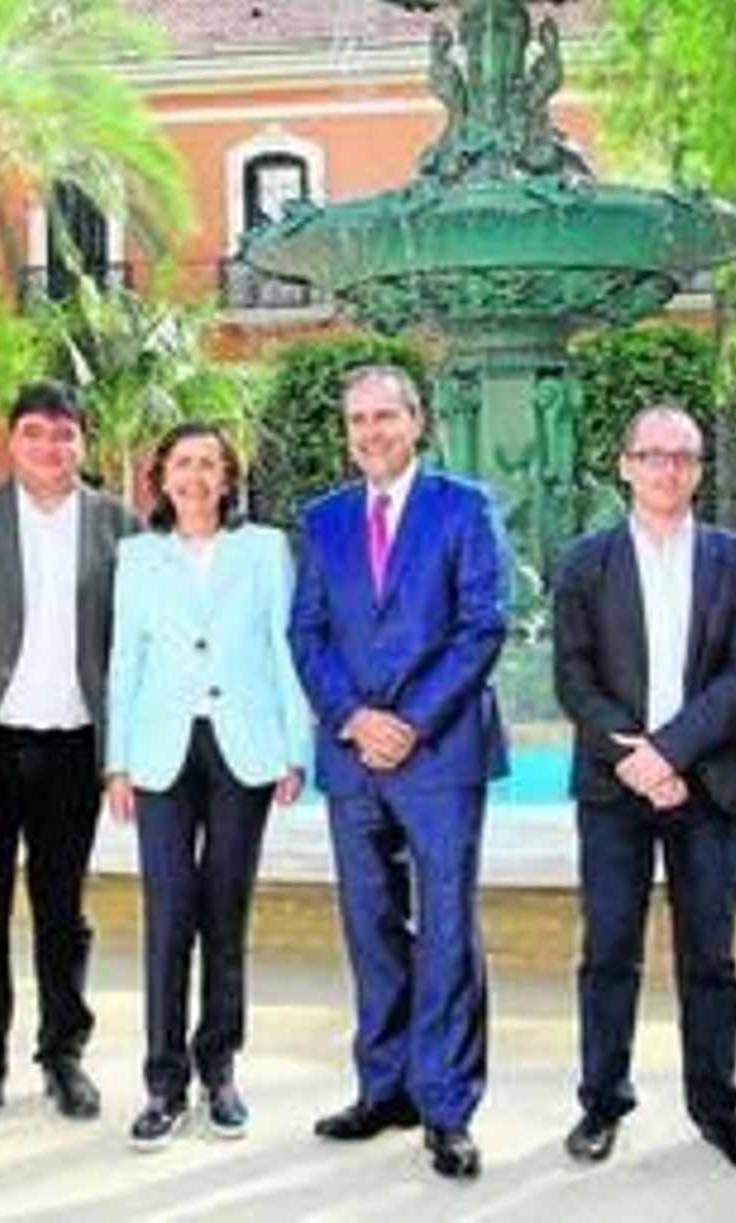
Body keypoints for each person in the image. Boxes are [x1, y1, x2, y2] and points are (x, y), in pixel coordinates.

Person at [288, 364, 508, 1181]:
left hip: (440, 754)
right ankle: (384, 1087)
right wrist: (352, 718)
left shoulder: (465, 507)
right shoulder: (323, 519)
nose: (371, 432)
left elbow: (483, 626)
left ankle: (447, 1106)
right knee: (370, 926)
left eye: (385, 416)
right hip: (352, 759)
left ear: (416, 422)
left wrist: (409, 722)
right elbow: (305, 632)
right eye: (357, 420)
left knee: (448, 928)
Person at [0, 379, 139, 1134]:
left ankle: (62, 1052)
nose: (51, 446)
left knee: (62, 913)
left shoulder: (119, 526)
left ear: (83, 442)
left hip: (74, 747)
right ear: (12, 440)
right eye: (36, 432)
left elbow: (134, 653)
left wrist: (122, 755)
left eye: (65, 433)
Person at [552, 404, 736, 1173]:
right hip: (615, 791)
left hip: (707, 786)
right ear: (625, 465)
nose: (667, 469)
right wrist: (637, 761)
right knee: (608, 949)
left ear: (699, 469)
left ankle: (717, 1108)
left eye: (683, 456)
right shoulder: (585, 560)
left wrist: (670, 755)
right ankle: (601, 1104)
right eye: (652, 455)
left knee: (710, 956)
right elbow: (573, 676)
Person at [104, 422, 312, 1151]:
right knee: (168, 914)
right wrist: (117, 760)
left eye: (210, 466)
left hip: (242, 748)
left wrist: (295, 746)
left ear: (228, 479)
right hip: (162, 749)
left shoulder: (263, 550)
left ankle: (219, 1068)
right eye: (183, 464)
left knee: (225, 911)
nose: (195, 478)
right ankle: (164, 1082)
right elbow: (123, 657)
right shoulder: (136, 556)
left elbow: (285, 645)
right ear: (161, 476)